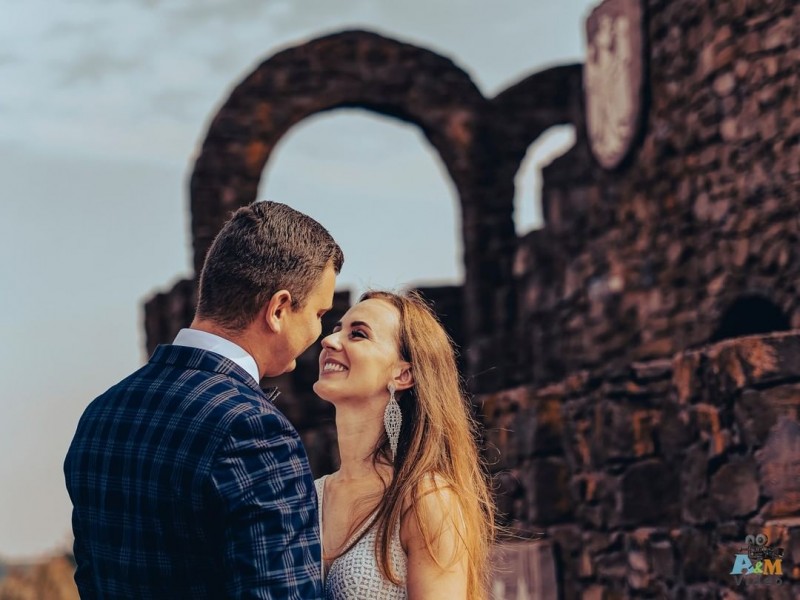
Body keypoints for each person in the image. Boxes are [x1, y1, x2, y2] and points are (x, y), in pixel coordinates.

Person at [64, 201, 344, 599]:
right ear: (279, 309)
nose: (320, 331)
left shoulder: (101, 413)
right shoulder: (255, 430)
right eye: (318, 313)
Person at [312, 290, 496, 599]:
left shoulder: (426, 498)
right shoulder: (306, 495)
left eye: (358, 334)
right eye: (335, 330)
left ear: (403, 374)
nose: (329, 341)